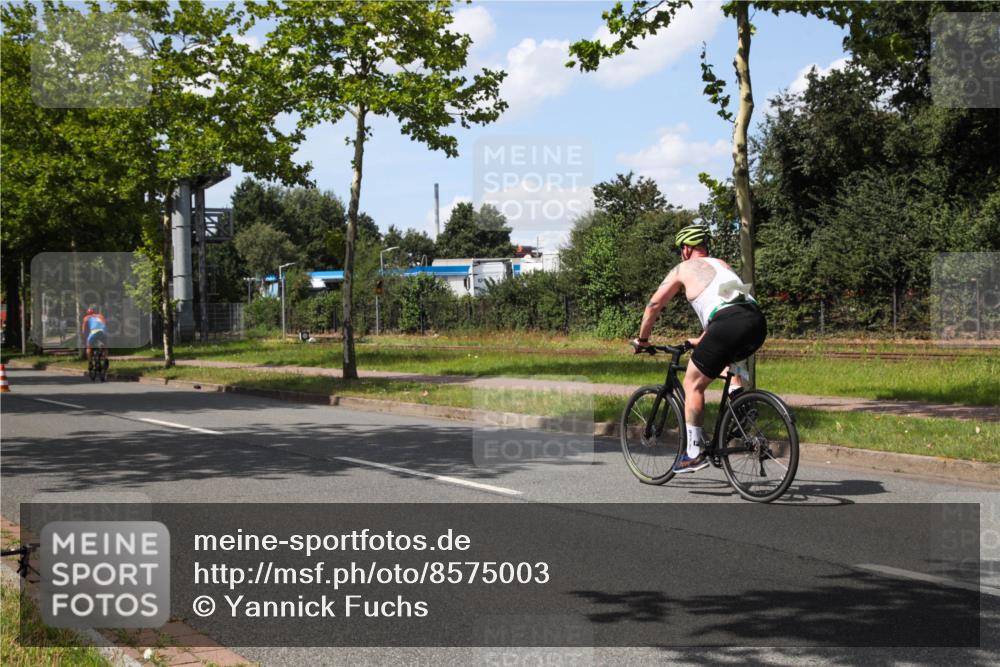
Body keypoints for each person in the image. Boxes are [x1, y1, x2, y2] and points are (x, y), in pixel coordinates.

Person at [632, 224, 767, 474]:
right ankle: (741, 400)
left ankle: (694, 452)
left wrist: (643, 340)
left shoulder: (682, 268)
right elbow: (730, 303)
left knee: (692, 383)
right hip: (755, 322)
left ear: (685, 249)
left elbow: (653, 306)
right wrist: (703, 338)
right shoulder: (722, 265)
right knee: (727, 358)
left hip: (727, 324)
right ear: (705, 247)